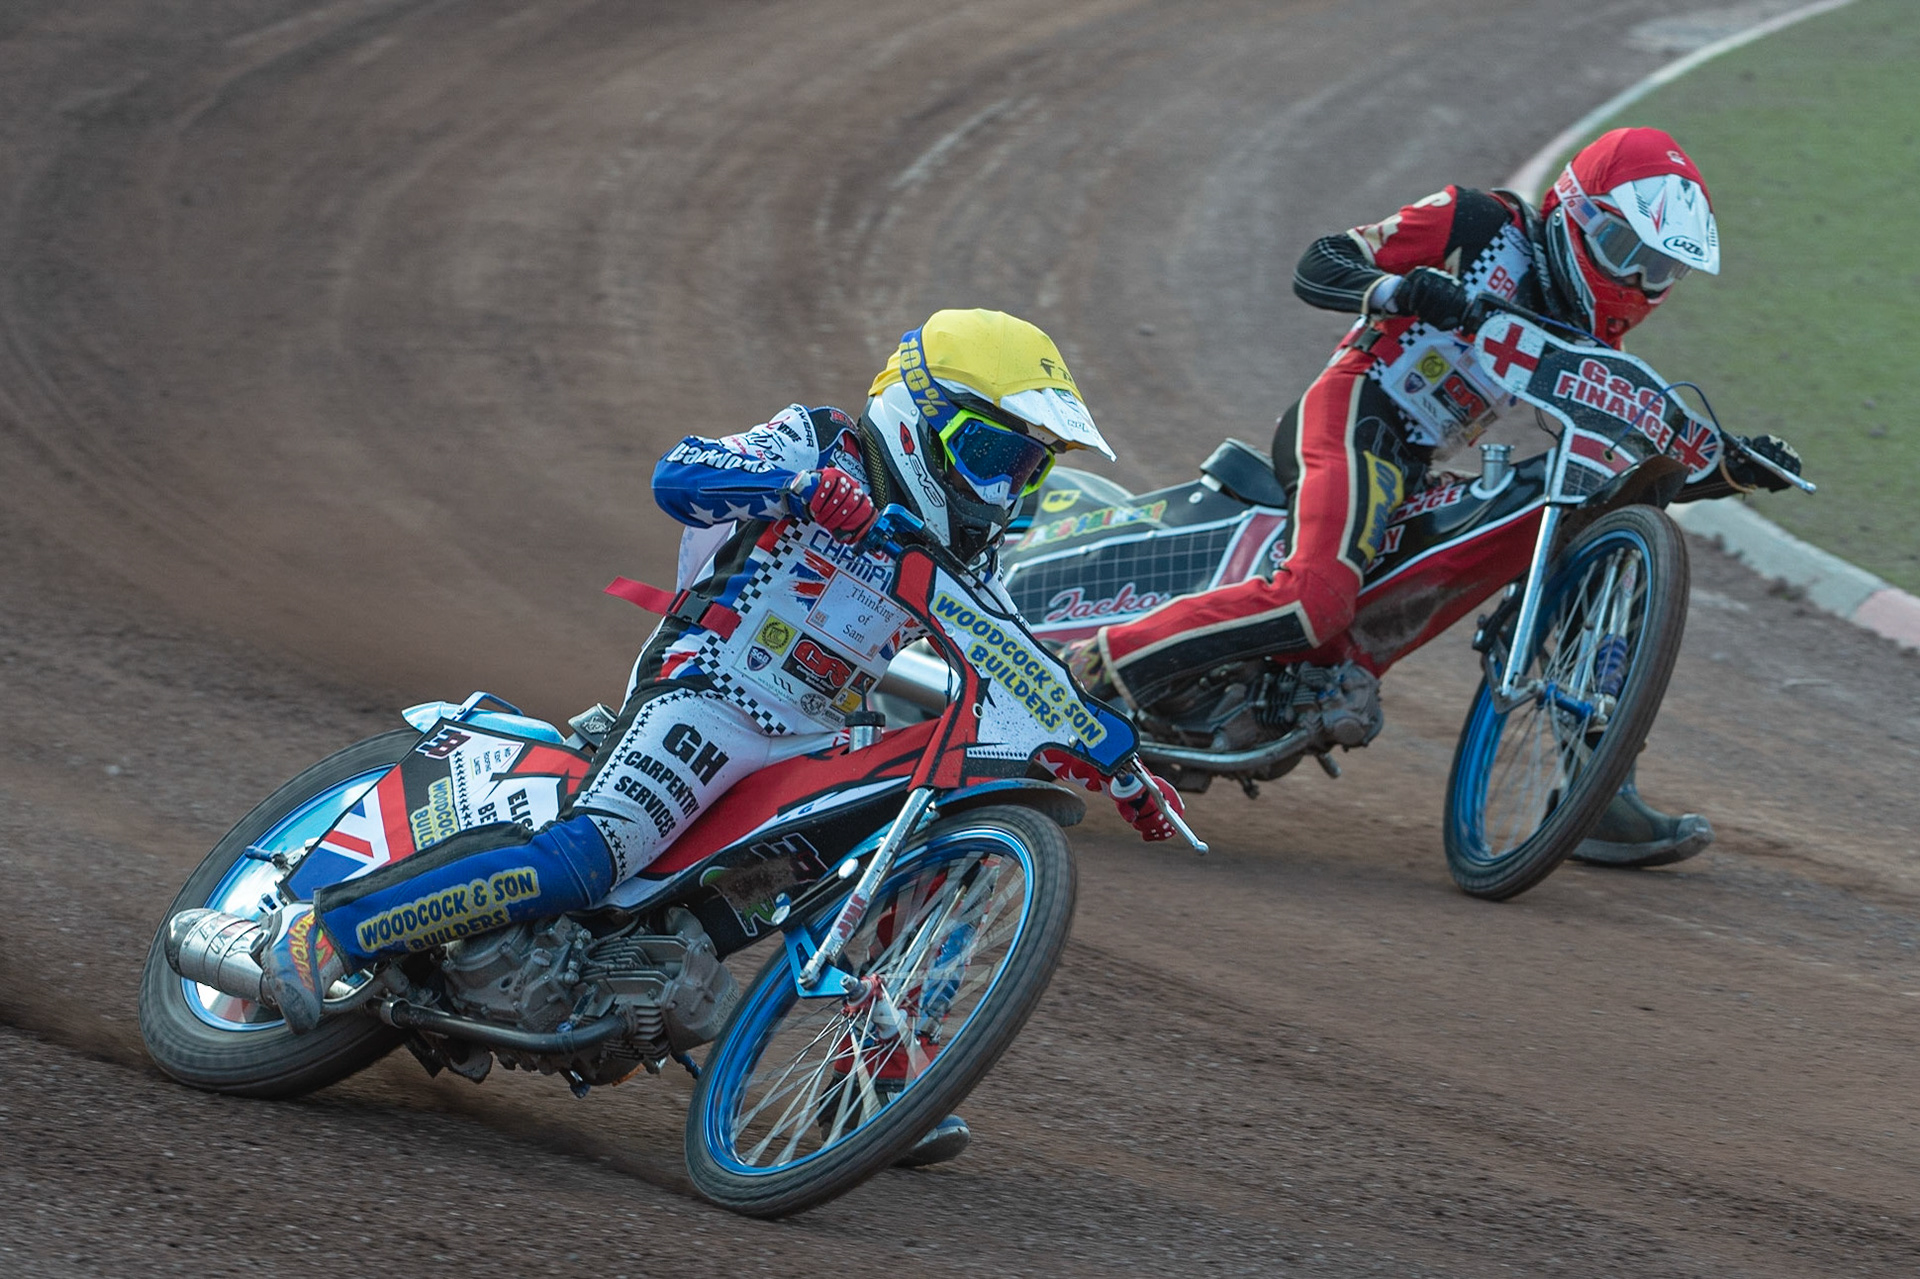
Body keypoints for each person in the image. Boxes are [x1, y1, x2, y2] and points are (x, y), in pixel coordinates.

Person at [253, 309, 1181, 1160]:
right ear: (920, 413)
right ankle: (330, 932)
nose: (1003, 486)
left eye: (1027, 468)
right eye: (991, 452)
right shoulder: (824, 441)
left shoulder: (970, 554)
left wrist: (1120, 764)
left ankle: (874, 1084)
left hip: (809, 735)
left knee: (897, 842)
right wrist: (797, 486)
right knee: (591, 858)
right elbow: (680, 472)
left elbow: (1016, 657)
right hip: (707, 689)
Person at [1070, 128, 1802, 866]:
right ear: (1574, 214)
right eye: (1624, 252)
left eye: (1660, 268)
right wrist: (1399, 288)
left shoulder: (1592, 345)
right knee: (1314, 599)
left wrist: (1732, 470)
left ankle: (1597, 783)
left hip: (1416, 464)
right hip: (1355, 412)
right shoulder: (1480, 224)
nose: (1638, 283)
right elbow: (1321, 261)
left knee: (1603, 521)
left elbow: (1639, 463)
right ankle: (1091, 671)